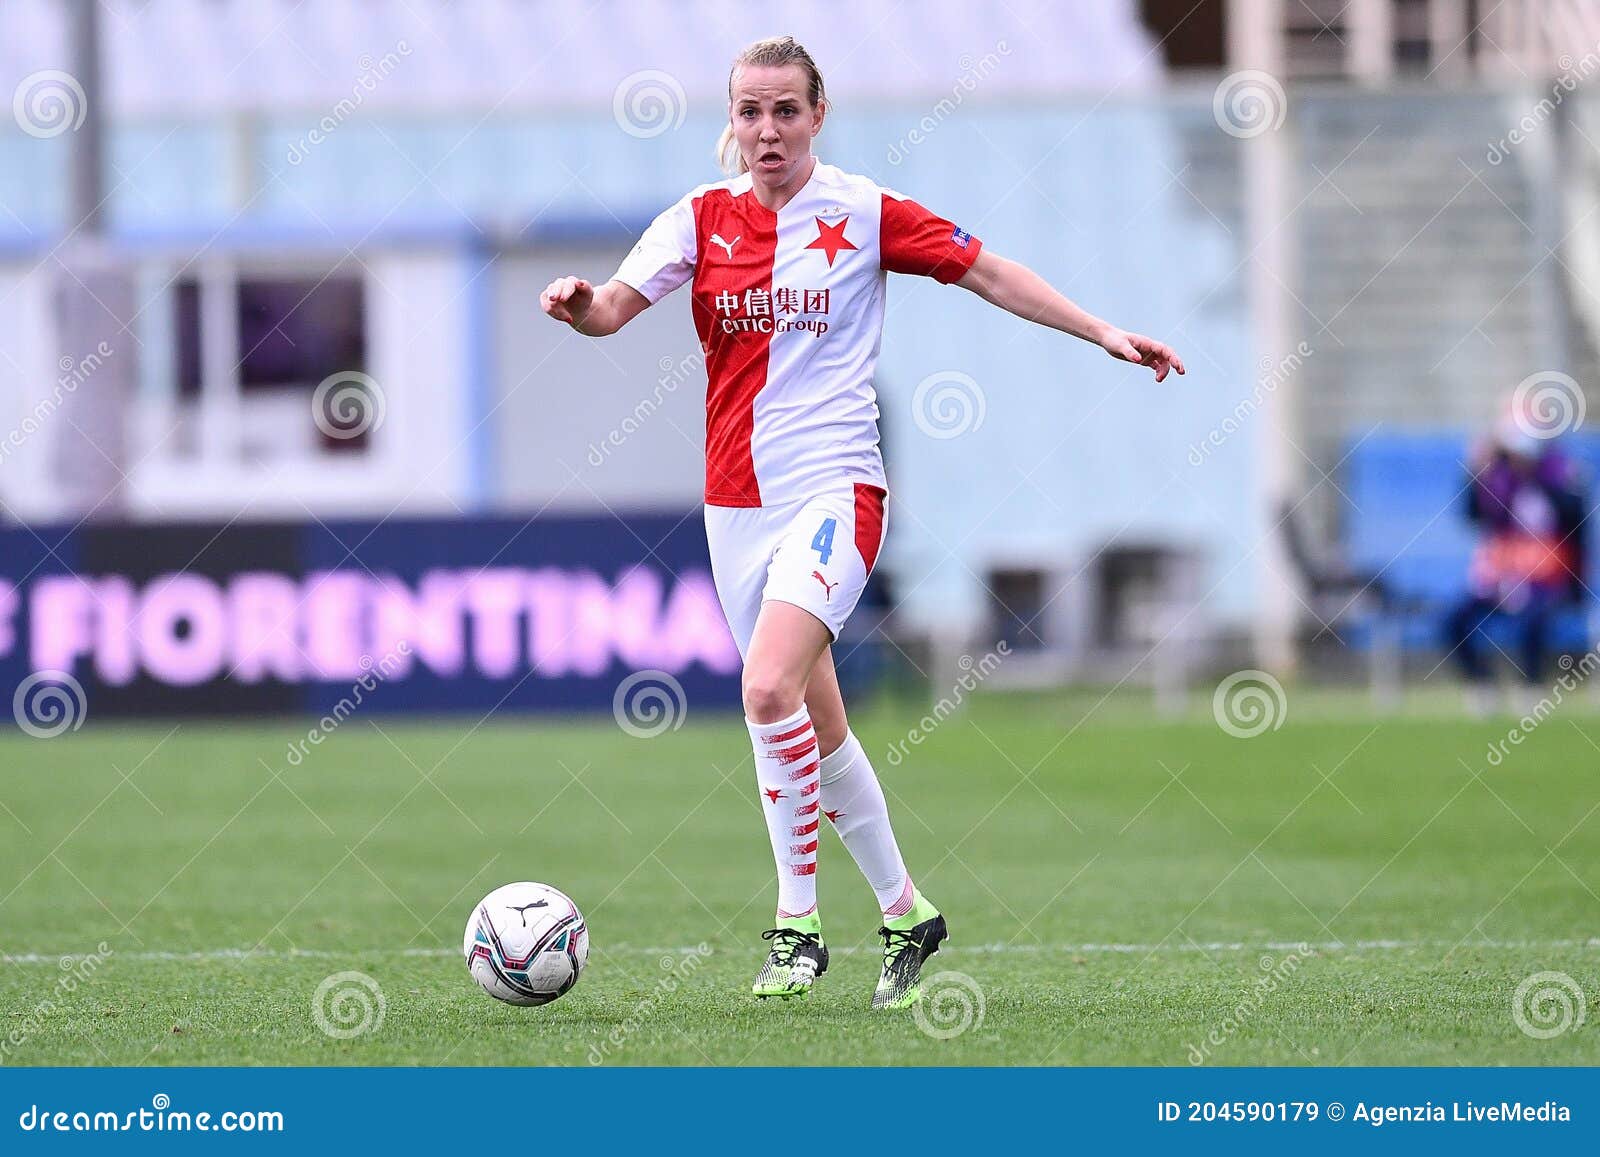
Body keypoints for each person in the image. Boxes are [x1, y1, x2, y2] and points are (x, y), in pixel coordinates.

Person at [540, 36, 1183, 1008]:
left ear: (817, 114)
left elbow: (985, 269)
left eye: (785, 110)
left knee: (765, 692)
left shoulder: (859, 211)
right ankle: (906, 906)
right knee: (819, 728)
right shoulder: (696, 221)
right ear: (731, 120)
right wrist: (580, 303)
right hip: (735, 509)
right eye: (749, 111)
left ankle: (796, 927)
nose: (766, 130)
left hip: (837, 490)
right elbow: (612, 311)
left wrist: (1098, 330)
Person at [1446, 410, 1588, 709]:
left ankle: (1531, 687)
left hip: (1546, 583)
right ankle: (1482, 686)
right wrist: (1475, 472)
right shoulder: (1499, 482)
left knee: (1533, 621)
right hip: (1504, 580)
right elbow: (1473, 515)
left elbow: (1575, 520)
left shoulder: (1558, 480)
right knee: (1454, 620)